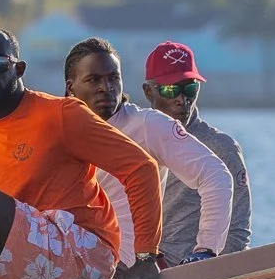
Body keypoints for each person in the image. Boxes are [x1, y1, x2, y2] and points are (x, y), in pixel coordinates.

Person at [0, 27, 162, 279]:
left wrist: (145, 259)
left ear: (19, 69)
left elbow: (142, 168)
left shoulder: (61, 115)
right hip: (27, 257)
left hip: (83, 255)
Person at [65, 37, 232, 267]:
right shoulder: (55, 127)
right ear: (70, 86)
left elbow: (215, 174)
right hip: (68, 262)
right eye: (94, 80)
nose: (106, 88)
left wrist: (206, 249)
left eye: (114, 78)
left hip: (131, 269)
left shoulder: (148, 124)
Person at [141, 41, 252, 263]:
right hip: (130, 268)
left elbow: (238, 233)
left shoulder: (222, 147)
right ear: (148, 91)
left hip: (187, 274)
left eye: (190, 87)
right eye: (170, 89)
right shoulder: (128, 136)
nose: (182, 99)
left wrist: (197, 274)